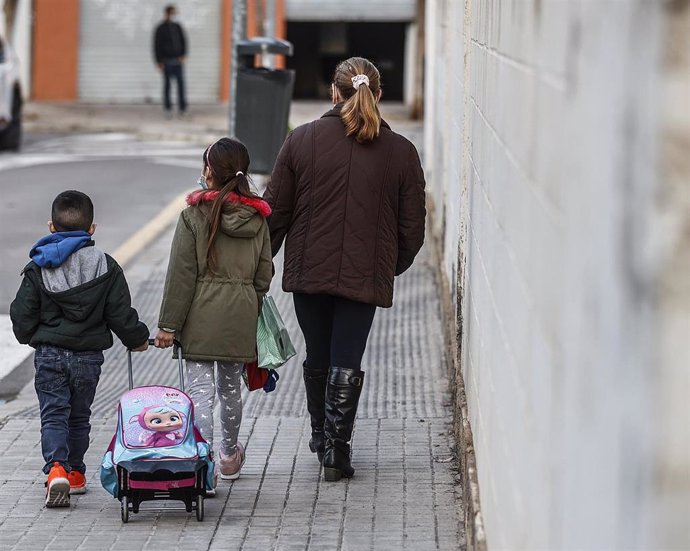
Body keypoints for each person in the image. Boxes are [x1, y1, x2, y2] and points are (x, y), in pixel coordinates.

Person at [264, 57, 427, 482]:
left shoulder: (301, 140)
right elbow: (413, 228)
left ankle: (321, 437)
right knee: (347, 359)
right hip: (364, 275)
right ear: (379, 93)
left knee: (318, 354)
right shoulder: (402, 152)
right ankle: (337, 449)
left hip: (308, 272)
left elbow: (275, 213)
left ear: (334, 93)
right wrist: (387, 266)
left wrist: (260, 264)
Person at [10, 190, 149, 508]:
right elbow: (120, 313)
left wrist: (33, 335)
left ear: (51, 226)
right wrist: (137, 339)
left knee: (53, 414)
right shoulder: (106, 266)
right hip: (88, 357)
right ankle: (75, 475)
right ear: (92, 229)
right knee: (79, 416)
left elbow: (22, 315)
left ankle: (56, 469)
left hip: (49, 353)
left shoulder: (38, 267)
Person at [154, 138, 272, 487]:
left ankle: (203, 465)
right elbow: (264, 276)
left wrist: (168, 326)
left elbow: (181, 276)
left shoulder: (192, 216)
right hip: (240, 315)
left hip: (200, 317)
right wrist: (246, 298)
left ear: (209, 171)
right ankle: (229, 455)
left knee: (199, 393)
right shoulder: (258, 218)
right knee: (229, 388)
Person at [153, 4, 188, 117]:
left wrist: (183, 55)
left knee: (181, 86)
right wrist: (159, 62)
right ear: (167, 14)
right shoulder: (160, 28)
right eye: (172, 13)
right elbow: (156, 46)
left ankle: (182, 109)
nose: (174, 16)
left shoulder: (178, 27)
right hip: (166, 62)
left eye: (175, 14)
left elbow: (184, 41)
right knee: (167, 86)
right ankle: (168, 109)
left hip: (178, 62)